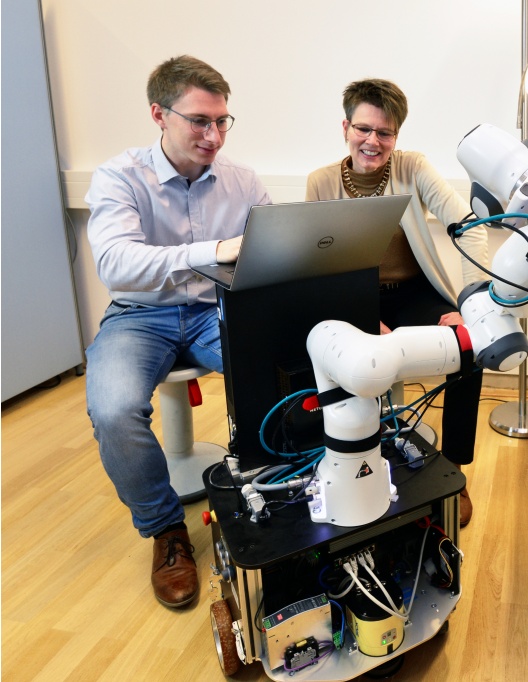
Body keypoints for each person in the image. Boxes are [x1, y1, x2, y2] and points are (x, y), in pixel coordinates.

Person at [85, 55, 271, 608]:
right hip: (141, 314)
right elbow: (117, 264)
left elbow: (268, 250)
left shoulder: (243, 181)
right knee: (114, 409)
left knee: (284, 371)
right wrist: (211, 252)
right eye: (199, 121)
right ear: (158, 115)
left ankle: (272, 491)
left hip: (220, 307)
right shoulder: (119, 176)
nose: (214, 135)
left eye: (222, 121)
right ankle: (166, 532)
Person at [305, 79, 489, 527]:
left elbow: (471, 227)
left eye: (384, 133)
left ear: (397, 136)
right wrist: (364, 320)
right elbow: (317, 266)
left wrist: (470, 302)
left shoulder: (413, 168)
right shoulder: (321, 181)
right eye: (363, 129)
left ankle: (455, 470)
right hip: (352, 297)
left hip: (412, 291)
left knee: (470, 350)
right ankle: (362, 459)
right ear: (345, 127)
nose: (373, 141)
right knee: (359, 365)